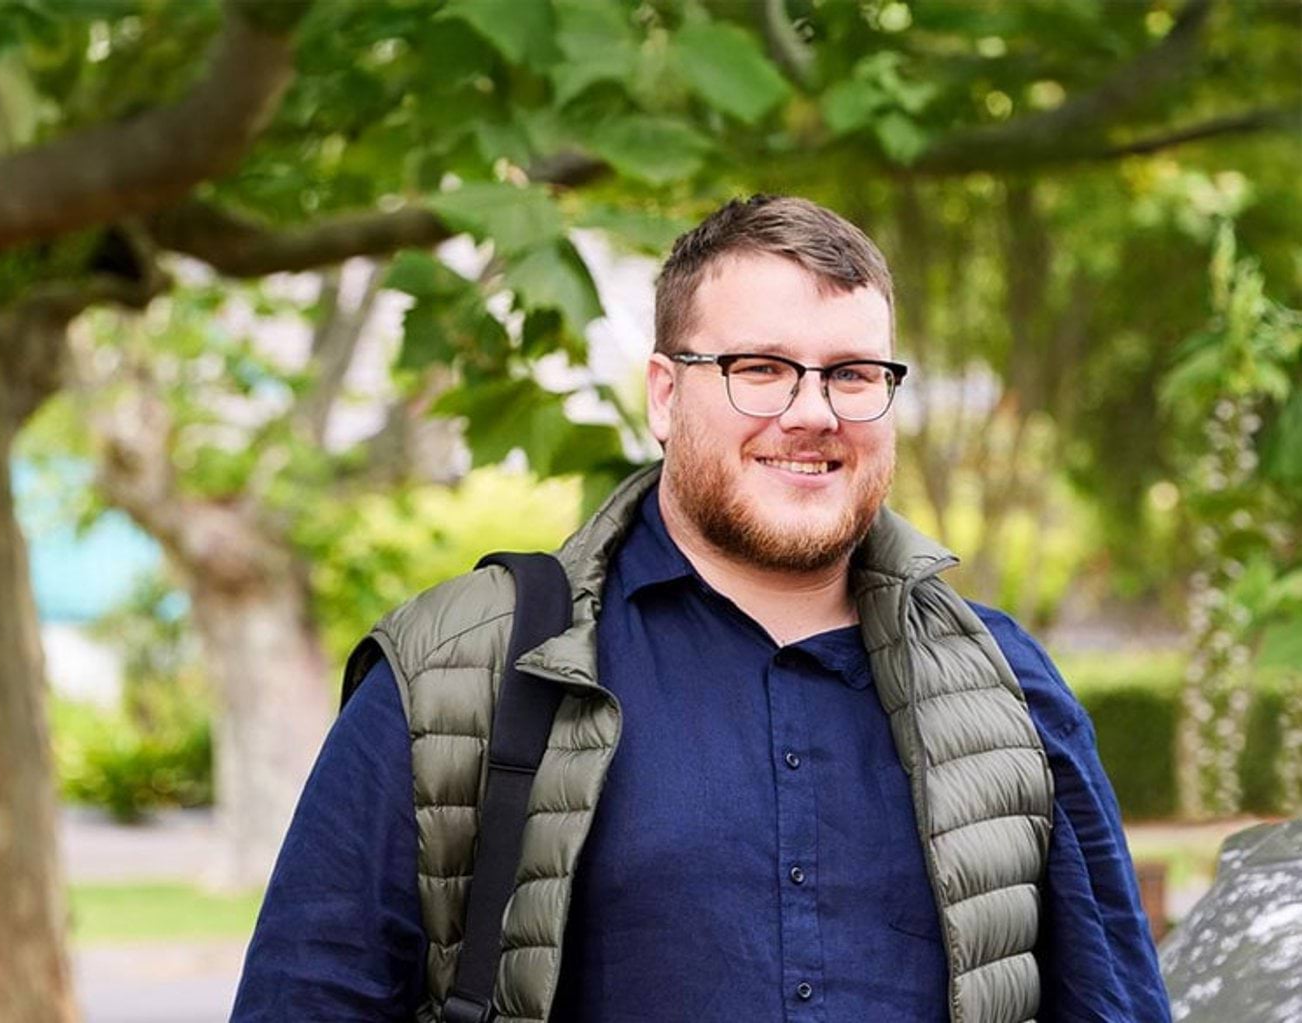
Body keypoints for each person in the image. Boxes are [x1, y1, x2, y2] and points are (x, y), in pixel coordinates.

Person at [230, 195, 1171, 1022]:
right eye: (760, 367)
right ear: (666, 394)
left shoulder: (1009, 690)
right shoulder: (458, 671)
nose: (813, 412)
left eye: (852, 373)